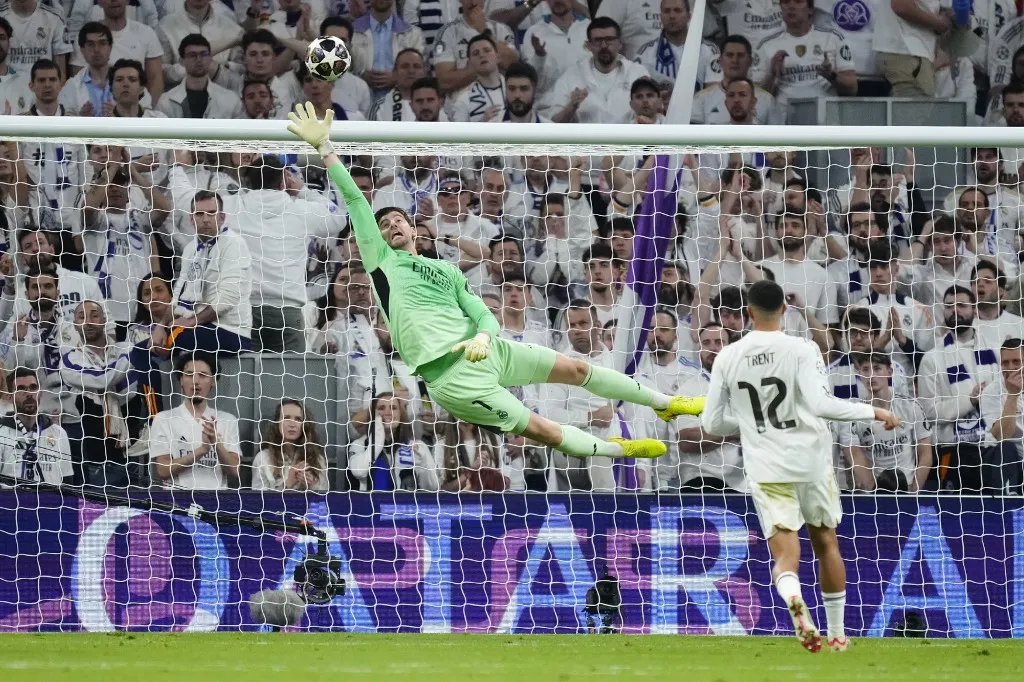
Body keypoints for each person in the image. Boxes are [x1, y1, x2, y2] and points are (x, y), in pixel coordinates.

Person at [288, 102, 705, 463]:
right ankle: (618, 449)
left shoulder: (448, 270)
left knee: (578, 367)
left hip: (488, 350)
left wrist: (486, 337)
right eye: (384, 225)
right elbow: (358, 202)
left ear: (414, 229)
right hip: (453, 378)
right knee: (542, 430)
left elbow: (481, 312)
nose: (391, 225)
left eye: (398, 220)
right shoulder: (382, 265)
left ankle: (666, 404)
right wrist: (324, 148)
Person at [701, 279, 899, 653]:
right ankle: (838, 635)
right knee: (827, 544)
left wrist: (747, 421)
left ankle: (794, 598)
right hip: (810, 462)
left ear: (747, 313)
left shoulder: (727, 356)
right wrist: (874, 409)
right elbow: (823, 406)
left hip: (766, 467)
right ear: (785, 310)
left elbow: (712, 425)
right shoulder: (803, 348)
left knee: (786, 557)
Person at [149, 353, 241, 489]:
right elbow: (163, 470)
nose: (195, 381)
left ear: (213, 381)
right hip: (176, 502)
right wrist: (201, 450)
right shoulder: (163, 419)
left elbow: (234, 471)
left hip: (216, 503)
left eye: (203, 375)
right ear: (180, 380)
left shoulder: (227, 420)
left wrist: (216, 444)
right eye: (189, 374)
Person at [0, 367, 72, 484]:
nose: (29, 393)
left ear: (40, 393)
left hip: (49, 501)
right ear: (10, 397)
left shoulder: (59, 433)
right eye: (21, 389)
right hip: (12, 500)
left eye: (33, 388)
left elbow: (67, 481)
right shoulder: (2, 433)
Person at [251, 398, 329, 491]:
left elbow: (324, 499)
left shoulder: (318, 460)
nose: (292, 424)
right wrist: (288, 483)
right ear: (277, 423)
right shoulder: (262, 459)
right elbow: (257, 501)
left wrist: (312, 485)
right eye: (286, 417)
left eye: (298, 419)